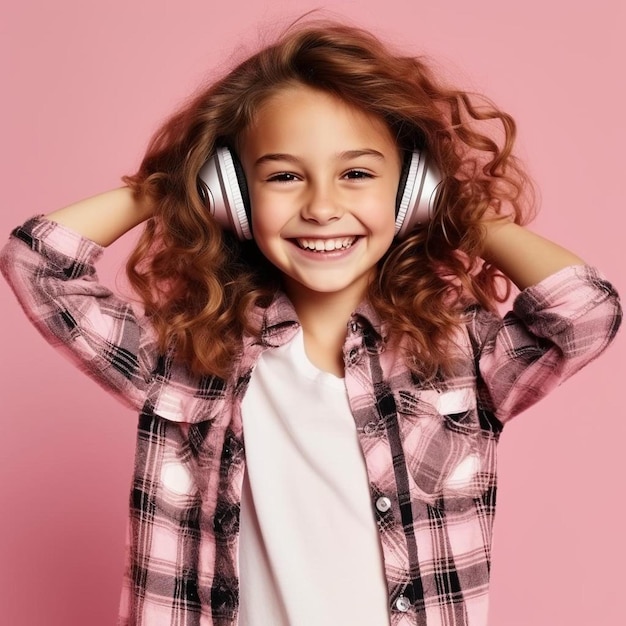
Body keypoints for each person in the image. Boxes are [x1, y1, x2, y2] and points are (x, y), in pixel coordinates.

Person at [0, 19, 621, 626]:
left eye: (356, 174)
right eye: (284, 176)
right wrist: (171, 188)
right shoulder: (187, 358)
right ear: (234, 197)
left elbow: (584, 313)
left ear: (409, 193)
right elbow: (39, 263)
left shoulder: (459, 356)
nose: (322, 208)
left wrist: (455, 211)